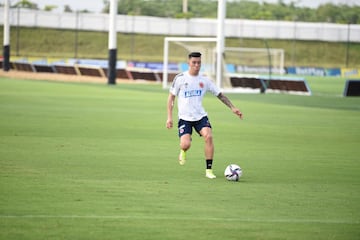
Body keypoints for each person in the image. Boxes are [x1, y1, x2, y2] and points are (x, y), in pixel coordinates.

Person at [166, 51, 243, 179]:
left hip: (200, 117)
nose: (197, 65)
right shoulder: (180, 78)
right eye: (194, 62)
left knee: (208, 136)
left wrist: (232, 107)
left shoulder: (205, 80)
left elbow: (220, 95)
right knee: (185, 145)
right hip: (185, 118)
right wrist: (169, 117)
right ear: (188, 63)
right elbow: (171, 98)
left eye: (199, 63)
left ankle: (209, 170)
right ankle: (183, 150)